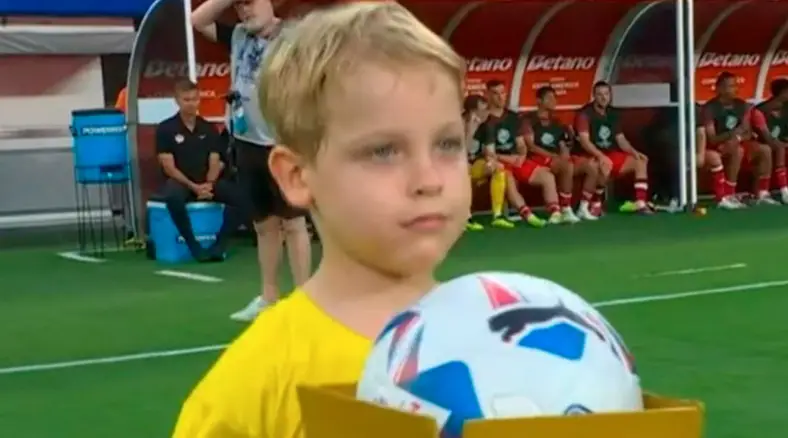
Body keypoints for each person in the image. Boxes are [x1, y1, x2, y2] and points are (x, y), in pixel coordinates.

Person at [172, 2, 470, 437]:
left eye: (447, 143)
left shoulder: (523, 335)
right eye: (384, 151)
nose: (428, 179)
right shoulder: (257, 381)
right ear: (297, 176)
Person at [191, 0, 312, 321]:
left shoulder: (292, 37)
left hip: (282, 143)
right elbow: (197, 18)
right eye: (239, 6)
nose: (245, 12)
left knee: (294, 222)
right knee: (264, 224)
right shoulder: (238, 36)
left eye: (251, 3)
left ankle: (305, 299)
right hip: (247, 142)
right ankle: (269, 296)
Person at [156, 80, 251, 261]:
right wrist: (194, 187)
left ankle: (219, 246)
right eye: (186, 100)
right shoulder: (166, 128)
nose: (191, 104)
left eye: (194, 99)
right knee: (172, 196)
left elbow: (215, 159)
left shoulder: (208, 128)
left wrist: (209, 184)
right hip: (182, 182)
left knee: (243, 197)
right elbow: (168, 166)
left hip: (207, 183)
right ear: (177, 101)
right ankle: (193, 246)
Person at [479, 80, 560, 226]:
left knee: (547, 176)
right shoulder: (483, 119)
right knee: (507, 177)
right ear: (487, 95)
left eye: (502, 93)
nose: (500, 97)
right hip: (498, 161)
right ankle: (527, 214)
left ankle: (555, 212)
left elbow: (521, 144)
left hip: (516, 159)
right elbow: (487, 152)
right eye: (495, 94)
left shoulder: (513, 117)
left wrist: (522, 156)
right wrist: (509, 159)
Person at [574, 81, 653, 215]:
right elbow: (584, 141)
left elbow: (620, 139)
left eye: (606, 94)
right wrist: (601, 156)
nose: (603, 98)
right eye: (599, 95)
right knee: (605, 165)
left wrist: (635, 152)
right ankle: (596, 204)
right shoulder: (585, 114)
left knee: (640, 161)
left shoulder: (612, 113)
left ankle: (640, 203)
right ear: (594, 96)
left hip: (610, 153)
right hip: (589, 155)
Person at [522, 86, 599, 221]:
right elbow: (531, 146)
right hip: (538, 158)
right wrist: (554, 157)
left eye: (554, 98)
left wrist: (565, 152)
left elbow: (563, 144)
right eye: (549, 98)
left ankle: (583, 208)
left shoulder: (557, 121)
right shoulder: (528, 120)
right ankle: (566, 209)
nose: (554, 101)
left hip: (558, 159)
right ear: (539, 101)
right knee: (567, 165)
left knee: (591, 165)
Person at [702, 71, 775, 208]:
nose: (734, 89)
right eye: (730, 86)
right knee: (737, 150)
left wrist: (737, 137)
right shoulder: (710, 108)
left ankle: (762, 193)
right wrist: (732, 135)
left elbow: (747, 132)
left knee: (764, 149)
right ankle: (729, 194)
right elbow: (711, 138)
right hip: (717, 146)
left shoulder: (742, 105)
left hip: (739, 142)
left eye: (735, 85)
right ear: (719, 89)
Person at [464, 94, 515, 230]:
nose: (487, 112)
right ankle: (465, 218)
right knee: (464, 171)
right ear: (472, 112)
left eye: (487, 109)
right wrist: (471, 128)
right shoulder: (458, 124)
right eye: (483, 110)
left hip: (474, 165)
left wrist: (490, 161)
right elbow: (460, 153)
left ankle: (497, 216)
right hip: (453, 167)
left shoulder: (488, 125)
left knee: (498, 168)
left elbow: (490, 151)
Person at [750, 78, 788, 204]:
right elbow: (767, 138)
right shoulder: (759, 111)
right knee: (778, 148)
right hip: (760, 144)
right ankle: (784, 190)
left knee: (781, 147)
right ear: (783, 93)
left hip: (780, 143)